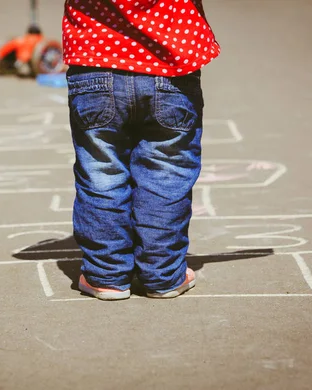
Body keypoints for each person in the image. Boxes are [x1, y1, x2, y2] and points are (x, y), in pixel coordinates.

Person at [62, 0, 220, 300]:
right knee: (166, 175)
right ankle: (163, 275)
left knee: (101, 174)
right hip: (170, 72)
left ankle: (106, 275)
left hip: (95, 66)